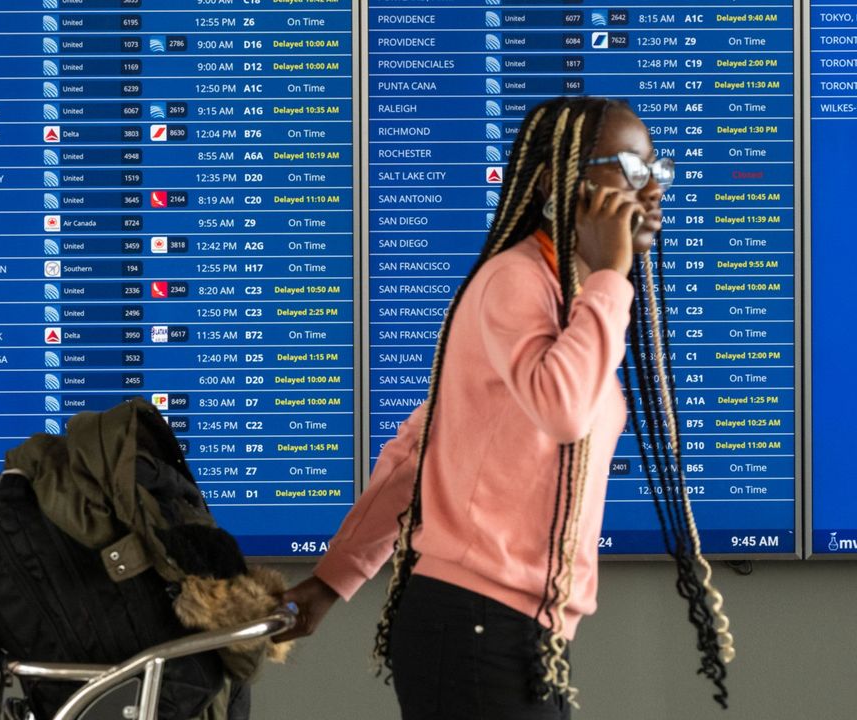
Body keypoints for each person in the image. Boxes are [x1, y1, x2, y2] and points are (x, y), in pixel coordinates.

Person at [278, 97, 734, 718]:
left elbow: (426, 448)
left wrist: (332, 580)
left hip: (517, 631)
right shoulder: (517, 281)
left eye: (658, 168)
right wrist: (612, 277)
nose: (652, 188)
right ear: (556, 178)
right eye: (628, 166)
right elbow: (564, 411)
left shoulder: (570, 298)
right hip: (474, 625)